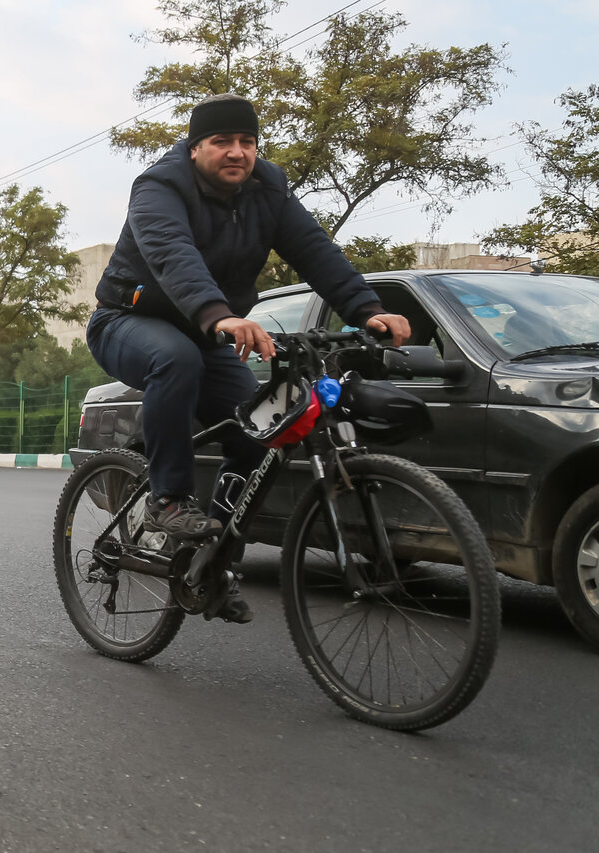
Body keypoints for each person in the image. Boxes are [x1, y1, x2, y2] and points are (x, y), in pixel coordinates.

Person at [87, 93, 411, 624]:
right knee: (176, 361)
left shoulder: (269, 189)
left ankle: (213, 566)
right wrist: (219, 315)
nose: (237, 152)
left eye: (247, 142)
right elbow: (173, 254)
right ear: (195, 149)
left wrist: (366, 308)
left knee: (264, 431)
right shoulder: (158, 187)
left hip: (207, 330)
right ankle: (168, 498)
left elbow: (316, 251)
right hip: (127, 321)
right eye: (222, 142)